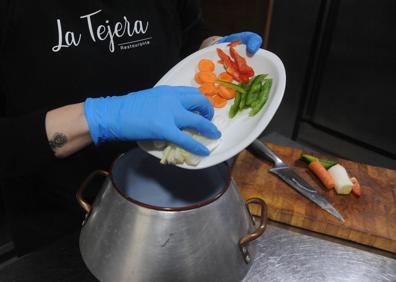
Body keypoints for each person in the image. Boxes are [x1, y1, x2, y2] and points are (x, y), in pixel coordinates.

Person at [0, 0, 262, 255]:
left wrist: (213, 52)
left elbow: (188, 32)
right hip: (60, 219)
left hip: (168, 190)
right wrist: (98, 117)